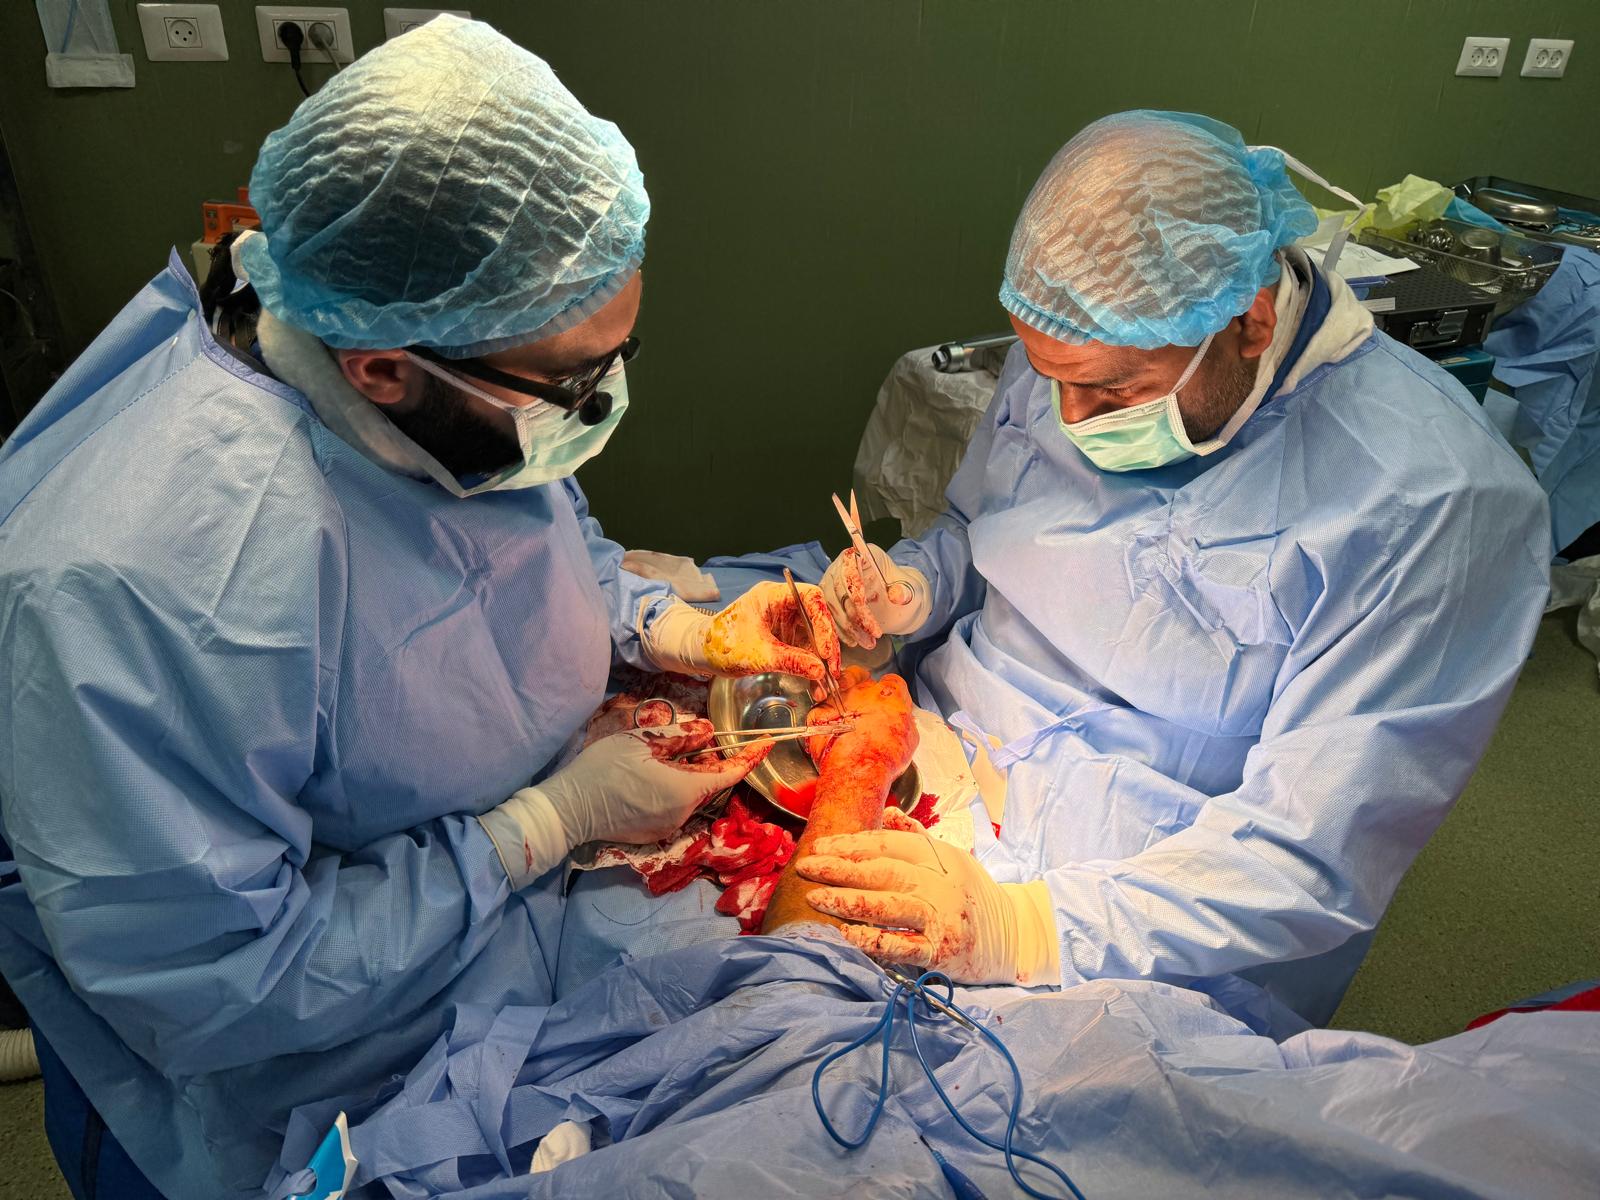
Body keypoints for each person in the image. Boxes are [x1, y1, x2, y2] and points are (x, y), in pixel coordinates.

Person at [0, 17, 840, 1200]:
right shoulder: (133, 593)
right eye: (575, 381)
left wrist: (675, 629)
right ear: (382, 367)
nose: (602, 403)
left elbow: (533, 545)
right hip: (312, 1055)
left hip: (504, 924)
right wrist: (538, 828)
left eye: (620, 353)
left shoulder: (454, 400)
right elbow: (224, 984)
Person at [805, 111, 1552, 1033]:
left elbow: (1307, 858)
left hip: (1141, 919)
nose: (1071, 418)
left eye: (1113, 392)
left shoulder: (1433, 505)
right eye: (1051, 379)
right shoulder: (1083, 347)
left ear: (1250, 321)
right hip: (932, 755)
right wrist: (915, 588)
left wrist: (1020, 927)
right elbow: (983, 530)